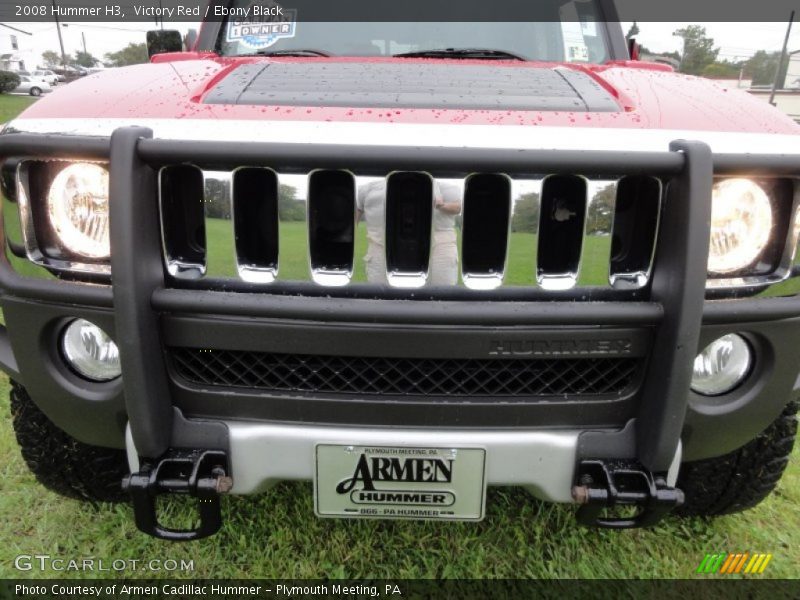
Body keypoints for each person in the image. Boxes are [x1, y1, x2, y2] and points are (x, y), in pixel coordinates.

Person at [356, 178, 461, 285]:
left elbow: (458, 207)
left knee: (441, 291)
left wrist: (442, 205)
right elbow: (354, 216)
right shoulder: (368, 189)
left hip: (440, 248)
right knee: (380, 292)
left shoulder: (447, 188)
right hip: (380, 247)